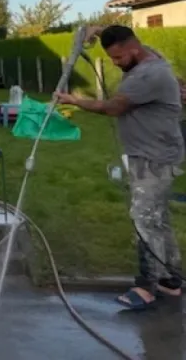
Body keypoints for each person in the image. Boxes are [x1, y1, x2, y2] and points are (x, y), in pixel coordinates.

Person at [56, 25, 185, 310]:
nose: (115, 63)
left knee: (143, 219)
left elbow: (113, 108)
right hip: (159, 154)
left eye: (117, 58)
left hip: (153, 158)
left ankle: (146, 287)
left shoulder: (147, 75)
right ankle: (171, 281)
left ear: (133, 50)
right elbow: (130, 42)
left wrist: (76, 101)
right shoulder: (150, 57)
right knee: (157, 220)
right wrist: (101, 30)